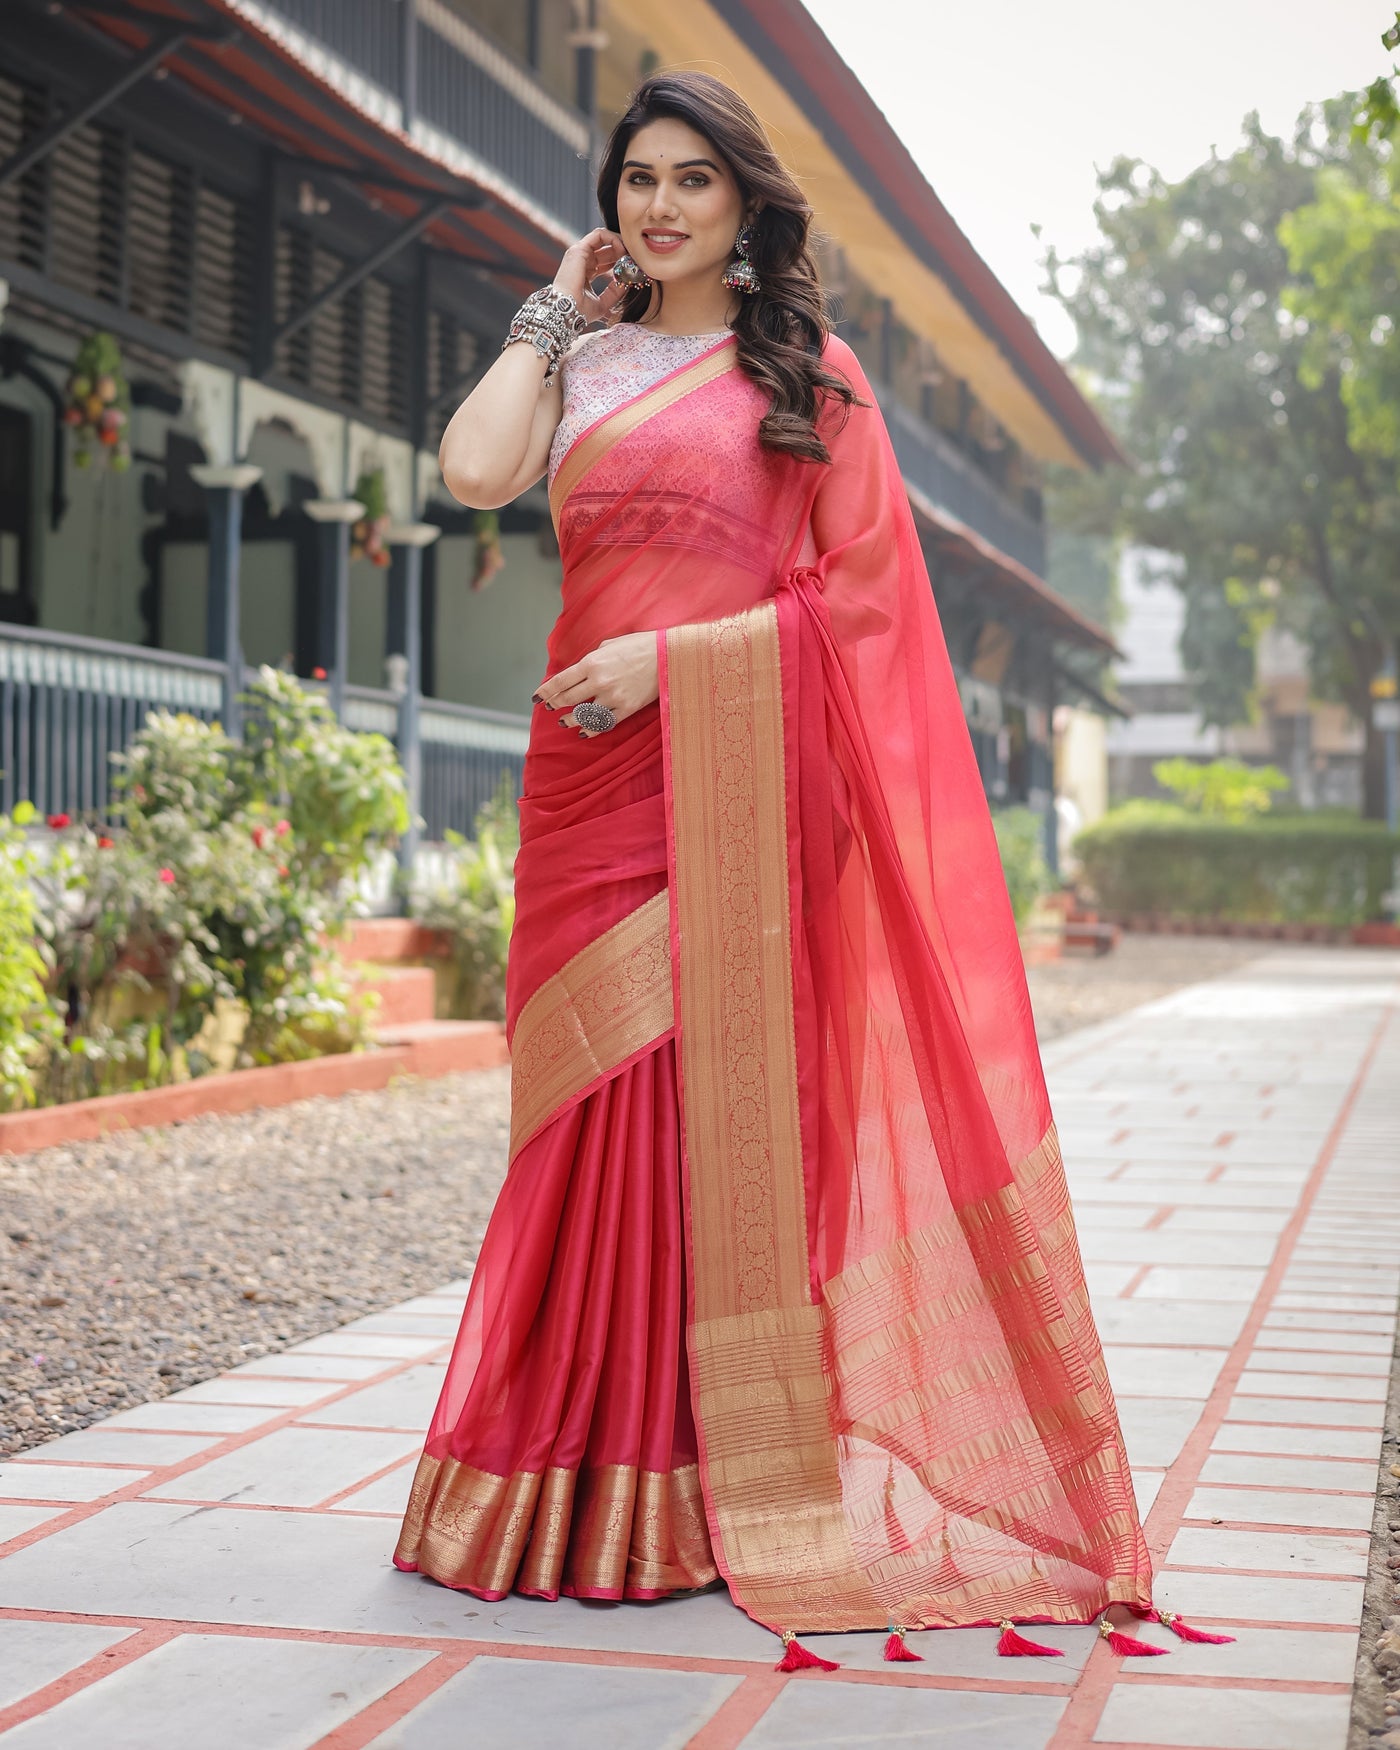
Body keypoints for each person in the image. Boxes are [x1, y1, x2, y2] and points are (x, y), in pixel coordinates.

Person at [394, 69, 1221, 1668]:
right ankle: (552, 1473)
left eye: (694, 180)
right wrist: (547, 318)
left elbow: (861, 613)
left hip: (734, 782)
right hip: (583, 795)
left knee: (701, 1127)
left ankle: (701, 1487)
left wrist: (673, 665)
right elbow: (475, 472)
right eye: (637, 178)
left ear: (747, 202)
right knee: (574, 1119)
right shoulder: (591, 359)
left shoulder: (811, 376)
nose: (660, 207)